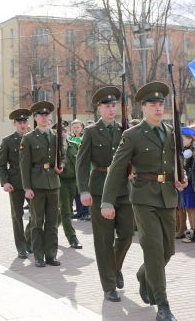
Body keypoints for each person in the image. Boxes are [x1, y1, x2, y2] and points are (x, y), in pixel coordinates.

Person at [102, 81, 187, 321]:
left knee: (168, 250)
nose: (158, 108)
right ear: (144, 108)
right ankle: (163, 305)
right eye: (153, 104)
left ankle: (143, 275)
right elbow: (117, 168)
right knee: (153, 249)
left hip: (168, 196)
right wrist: (107, 201)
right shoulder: (133, 135)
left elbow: (175, 161)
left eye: (161, 104)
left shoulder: (170, 132)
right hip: (143, 197)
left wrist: (182, 177)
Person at [76, 87, 134, 302]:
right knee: (103, 239)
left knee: (127, 233)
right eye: (107, 106)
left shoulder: (125, 130)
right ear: (99, 108)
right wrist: (83, 190)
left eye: (113, 105)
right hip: (100, 189)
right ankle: (109, 284)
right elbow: (81, 164)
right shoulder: (91, 131)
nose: (111, 109)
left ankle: (115, 267)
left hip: (122, 189)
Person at [20, 101, 63, 268]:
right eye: (41, 115)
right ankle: (38, 255)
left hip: (53, 182)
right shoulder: (28, 138)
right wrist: (27, 187)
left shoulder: (55, 136)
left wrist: (61, 166)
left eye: (47, 115)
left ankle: (51, 254)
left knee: (52, 222)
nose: (45, 118)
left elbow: (62, 156)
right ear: (35, 118)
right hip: (36, 184)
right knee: (38, 222)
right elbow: (24, 164)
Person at [0, 108, 33, 259]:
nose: (22, 125)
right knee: (17, 215)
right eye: (19, 122)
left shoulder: (33, 138)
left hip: (32, 182)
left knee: (36, 215)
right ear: (14, 124)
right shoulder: (8, 141)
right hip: (15, 182)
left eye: (24, 122)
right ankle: (21, 246)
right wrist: (5, 182)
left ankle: (29, 240)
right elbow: (1, 164)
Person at [53, 120, 82, 250]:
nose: (63, 134)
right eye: (60, 131)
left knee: (65, 209)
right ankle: (72, 238)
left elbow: (79, 165)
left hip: (73, 181)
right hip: (61, 182)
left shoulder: (74, 145)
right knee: (66, 210)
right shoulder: (53, 148)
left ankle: (49, 230)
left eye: (64, 131)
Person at [179, 127, 195, 243]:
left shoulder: (192, 151)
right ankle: (191, 231)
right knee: (187, 208)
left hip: (190, 183)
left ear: (189, 139)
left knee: (192, 208)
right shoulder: (184, 150)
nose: (181, 141)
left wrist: (188, 181)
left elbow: (193, 169)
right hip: (184, 183)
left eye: (183, 139)